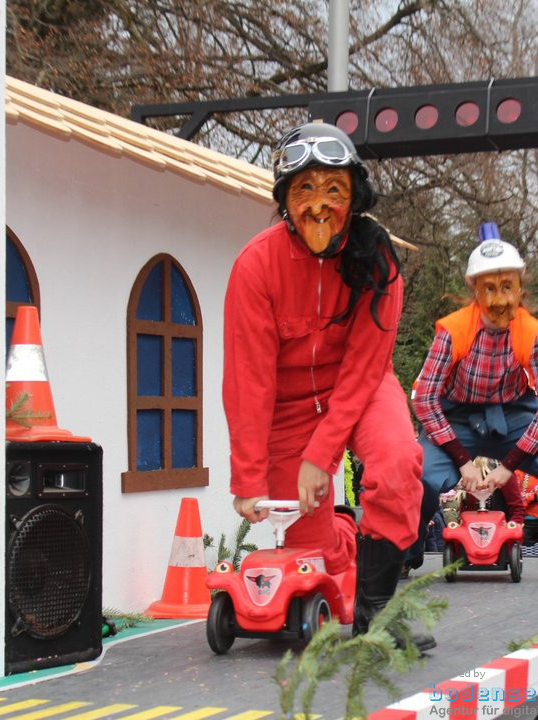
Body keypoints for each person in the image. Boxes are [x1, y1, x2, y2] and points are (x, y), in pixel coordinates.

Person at [222, 122, 433, 650]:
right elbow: (247, 380)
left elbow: (366, 365)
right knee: (311, 550)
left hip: (360, 389)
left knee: (395, 461)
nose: (319, 205)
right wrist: (247, 477)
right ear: (285, 202)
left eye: (333, 190)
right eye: (304, 190)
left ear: (353, 197)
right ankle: (346, 543)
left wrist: (323, 453)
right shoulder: (255, 266)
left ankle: (379, 612)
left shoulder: (379, 262)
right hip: (287, 407)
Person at [407, 221, 538, 581]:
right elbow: (425, 399)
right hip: (457, 418)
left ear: (520, 286)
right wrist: (462, 463)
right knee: (421, 475)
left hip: (513, 415)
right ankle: (406, 554)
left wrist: (509, 466)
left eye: (506, 287)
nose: (498, 299)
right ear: (474, 289)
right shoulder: (453, 330)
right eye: (488, 288)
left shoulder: (531, 331)